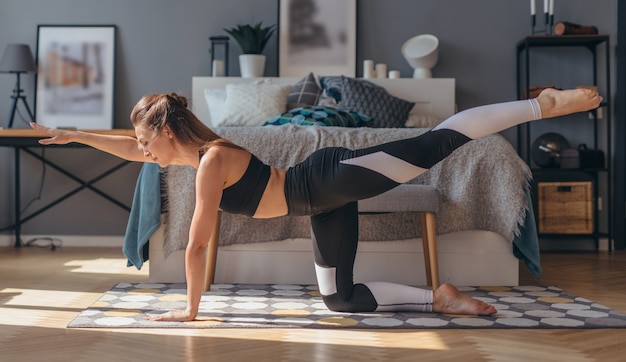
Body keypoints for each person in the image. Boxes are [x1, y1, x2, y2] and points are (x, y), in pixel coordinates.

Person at [31, 87, 602, 322]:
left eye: (145, 140)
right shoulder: (189, 154)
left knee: (437, 143)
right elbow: (126, 150)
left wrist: (192, 310)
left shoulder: (208, 161)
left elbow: (201, 240)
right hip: (319, 204)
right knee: (339, 300)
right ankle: (441, 298)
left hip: (326, 177)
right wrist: (71, 133)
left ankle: (542, 106)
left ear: (166, 134)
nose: (140, 151)